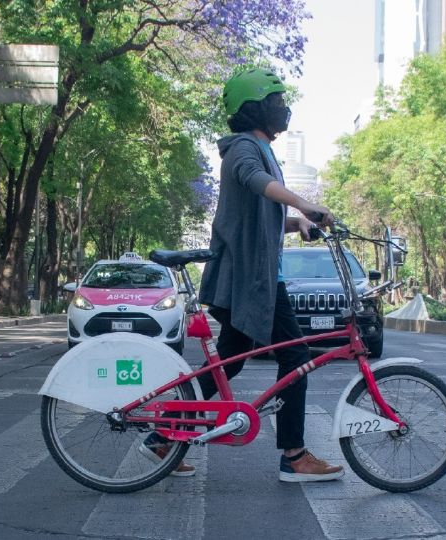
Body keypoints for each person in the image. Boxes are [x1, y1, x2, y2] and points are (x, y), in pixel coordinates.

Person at [143, 68, 344, 482]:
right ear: (255, 107)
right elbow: (257, 183)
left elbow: (260, 214)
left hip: (256, 278)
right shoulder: (242, 150)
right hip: (247, 280)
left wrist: (295, 223)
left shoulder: (259, 148)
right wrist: (305, 205)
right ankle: (295, 455)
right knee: (294, 356)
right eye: (276, 101)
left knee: (227, 364)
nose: (284, 109)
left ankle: (165, 435)